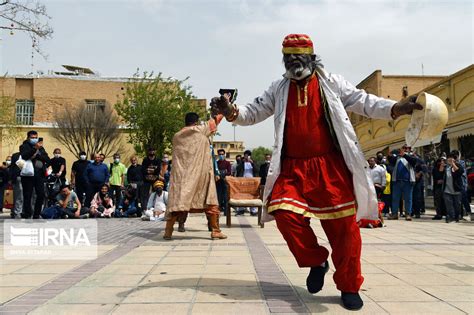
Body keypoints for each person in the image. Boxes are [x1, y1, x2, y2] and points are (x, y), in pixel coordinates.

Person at [210, 34, 422, 310]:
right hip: (293, 169)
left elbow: (363, 100)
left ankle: (348, 285)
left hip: (329, 167)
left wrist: (396, 107)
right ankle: (317, 260)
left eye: (299, 57)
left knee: (345, 231)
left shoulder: (331, 83)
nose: (293, 63)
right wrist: (231, 110)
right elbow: (253, 112)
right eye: (288, 58)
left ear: (311, 58)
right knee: (284, 214)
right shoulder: (279, 88)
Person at [164, 112, 227, 240]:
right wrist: (224, 107)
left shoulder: (176, 136)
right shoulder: (200, 130)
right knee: (210, 202)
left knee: (178, 204)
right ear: (196, 122)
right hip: (200, 176)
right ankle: (215, 231)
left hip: (182, 178)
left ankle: (168, 231)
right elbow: (215, 121)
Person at [19, 131, 50, 219]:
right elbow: (24, 156)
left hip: (39, 175)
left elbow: (47, 159)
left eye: (35, 137)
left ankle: (37, 213)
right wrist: (34, 149)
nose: (34, 139)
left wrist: (37, 155)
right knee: (27, 195)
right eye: (32, 137)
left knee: (41, 194)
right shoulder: (24, 146)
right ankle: (27, 213)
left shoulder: (41, 148)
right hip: (28, 175)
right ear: (28, 138)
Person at [388, 145, 418, 221]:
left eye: (406, 148)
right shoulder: (397, 157)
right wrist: (389, 155)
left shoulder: (411, 156)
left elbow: (414, 162)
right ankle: (394, 214)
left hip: (408, 181)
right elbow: (391, 161)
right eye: (403, 148)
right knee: (395, 199)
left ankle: (408, 214)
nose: (404, 150)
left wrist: (404, 155)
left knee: (408, 199)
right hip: (397, 181)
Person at [443, 152, 464, 223]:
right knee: (449, 205)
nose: (449, 159)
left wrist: (453, 164)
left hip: (456, 189)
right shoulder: (446, 167)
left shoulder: (458, 165)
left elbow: (460, 171)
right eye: (448, 158)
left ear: (454, 159)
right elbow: (439, 173)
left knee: (457, 205)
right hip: (447, 189)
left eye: (451, 158)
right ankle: (451, 217)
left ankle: (457, 217)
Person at [236, 150, 258, 216]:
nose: (247, 157)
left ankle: (253, 210)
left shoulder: (253, 162)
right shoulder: (241, 162)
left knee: (252, 195)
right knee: (242, 195)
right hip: (242, 182)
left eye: (248, 155)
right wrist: (242, 162)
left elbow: (257, 170)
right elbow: (238, 169)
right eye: (246, 155)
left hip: (251, 182)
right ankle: (241, 210)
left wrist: (252, 163)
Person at [216, 149, 231, 213]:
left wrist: (222, 174)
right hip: (218, 182)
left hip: (225, 181)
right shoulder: (216, 163)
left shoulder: (227, 163)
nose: (221, 155)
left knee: (225, 196)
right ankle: (218, 210)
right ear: (218, 155)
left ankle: (226, 211)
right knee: (219, 196)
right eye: (220, 154)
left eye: (222, 154)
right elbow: (215, 172)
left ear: (224, 155)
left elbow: (229, 172)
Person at [8, 152, 23, 218]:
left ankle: (16, 211)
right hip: (18, 177)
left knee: (19, 196)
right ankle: (16, 212)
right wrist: (10, 178)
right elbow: (12, 167)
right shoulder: (16, 155)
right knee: (18, 196)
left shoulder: (31, 154)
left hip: (26, 177)